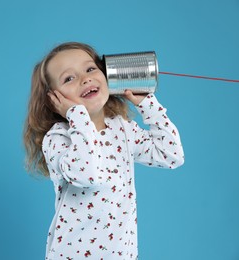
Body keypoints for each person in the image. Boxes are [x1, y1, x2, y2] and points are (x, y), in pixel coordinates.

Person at [23, 42, 184, 259]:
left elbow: (171, 154)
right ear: (53, 100)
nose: (85, 79)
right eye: (69, 78)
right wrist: (77, 115)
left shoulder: (122, 129)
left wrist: (147, 104)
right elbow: (87, 173)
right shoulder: (58, 138)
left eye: (90, 69)